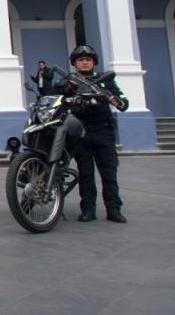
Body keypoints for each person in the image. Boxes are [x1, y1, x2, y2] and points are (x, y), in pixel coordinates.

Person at [55, 44, 129, 224]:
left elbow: (123, 103)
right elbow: (58, 96)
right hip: (81, 133)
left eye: (88, 60)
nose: (85, 63)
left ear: (93, 62)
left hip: (103, 131)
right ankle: (88, 209)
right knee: (86, 174)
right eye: (81, 60)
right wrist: (65, 88)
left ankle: (114, 209)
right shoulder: (70, 81)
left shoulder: (105, 80)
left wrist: (111, 97)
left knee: (109, 173)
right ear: (75, 63)